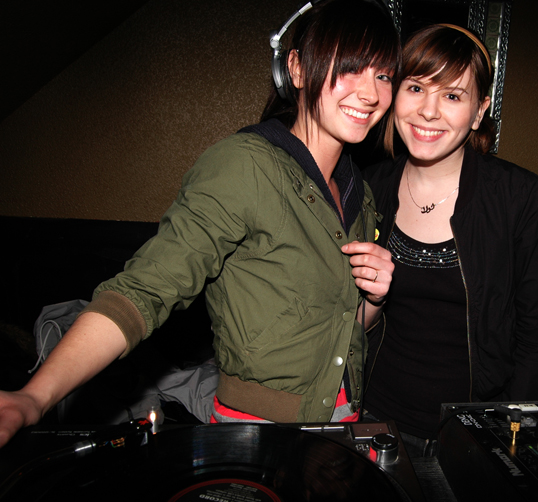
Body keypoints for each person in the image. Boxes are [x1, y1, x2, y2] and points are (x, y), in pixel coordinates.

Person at [0, 0, 400, 448]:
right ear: (297, 68)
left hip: (343, 426)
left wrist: (375, 298)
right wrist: (34, 397)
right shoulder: (243, 167)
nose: (370, 93)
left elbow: (343, 328)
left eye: (383, 75)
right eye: (351, 68)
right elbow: (144, 290)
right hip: (257, 435)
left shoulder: (359, 193)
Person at [362, 24, 538, 456]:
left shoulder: (519, 197)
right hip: (373, 420)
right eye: (416, 88)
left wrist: (501, 432)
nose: (428, 111)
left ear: (478, 111)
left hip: (473, 436)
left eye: (452, 96)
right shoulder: (367, 188)